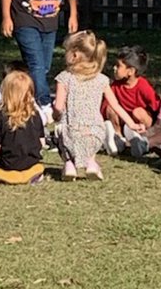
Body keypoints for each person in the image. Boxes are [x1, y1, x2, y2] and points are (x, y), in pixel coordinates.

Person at [53, 30, 139, 181]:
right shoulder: (102, 80)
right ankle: (91, 163)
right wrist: (132, 124)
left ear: (74, 55)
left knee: (63, 133)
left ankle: (69, 165)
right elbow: (116, 105)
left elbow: (58, 107)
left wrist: (56, 116)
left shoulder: (64, 78)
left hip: (71, 129)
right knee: (90, 145)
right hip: (95, 131)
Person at [0, 69, 46, 185]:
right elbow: (42, 142)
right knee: (37, 167)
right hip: (32, 163)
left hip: (8, 164)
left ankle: (7, 176)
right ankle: (32, 175)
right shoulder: (35, 115)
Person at [102, 45, 161, 155]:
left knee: (138, 112)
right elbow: (105, 107)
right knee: (110, 108)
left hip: (140, 122)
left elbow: (156, 106)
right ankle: (118, 138)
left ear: (131, 71)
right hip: (123, 121)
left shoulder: (143, 86)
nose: (114, 68)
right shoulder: (115, 86)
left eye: (118, 66)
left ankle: (140, 137)